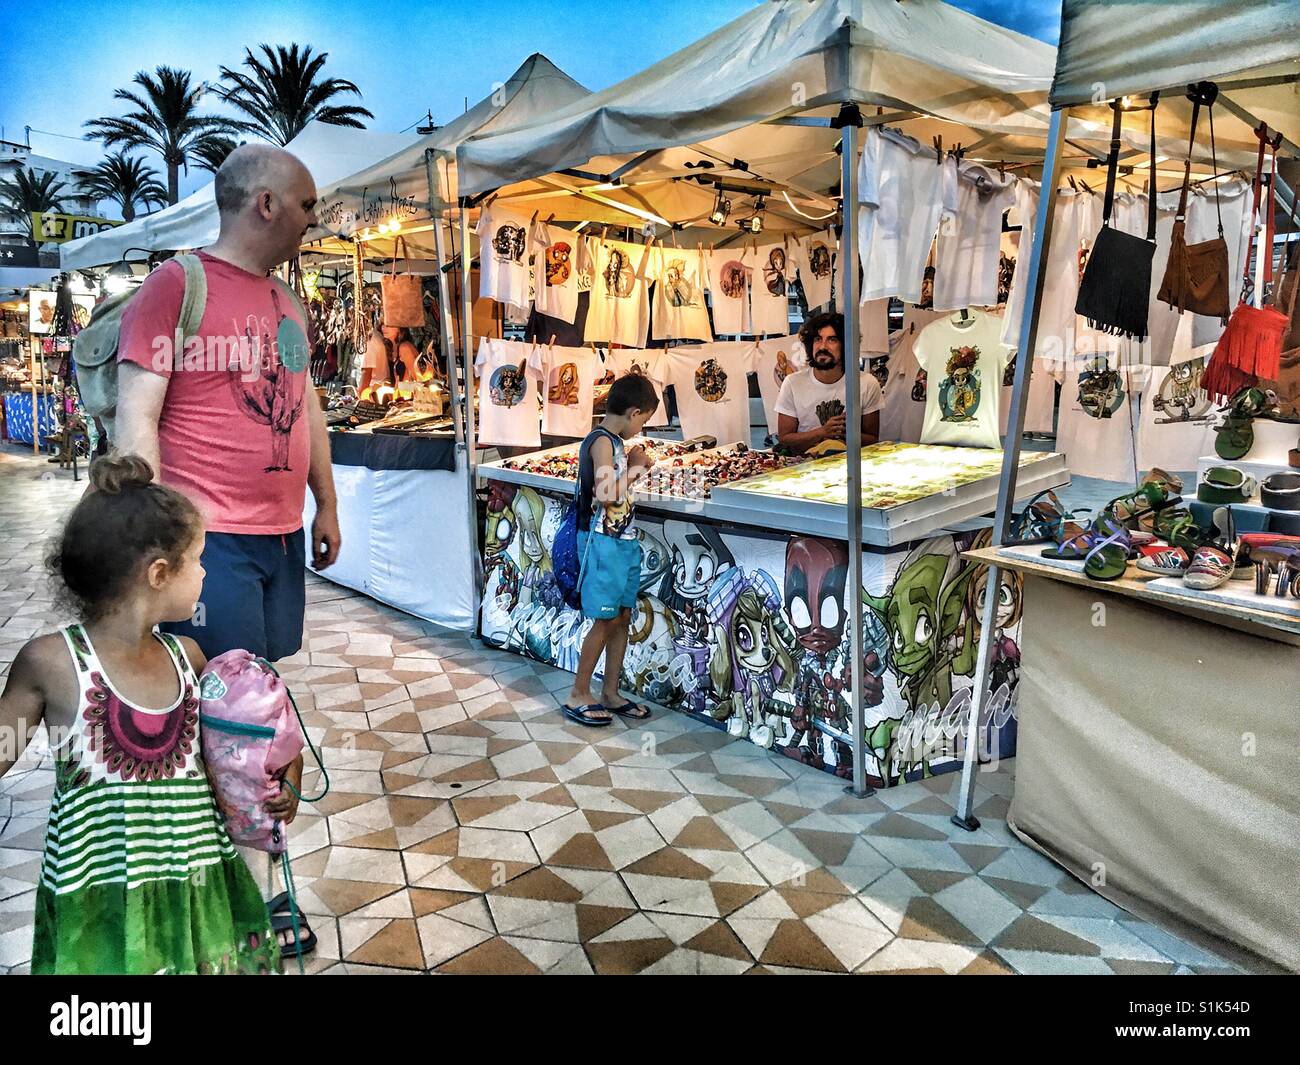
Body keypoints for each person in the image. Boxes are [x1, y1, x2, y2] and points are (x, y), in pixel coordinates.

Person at [0, 454, 299, 974]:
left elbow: (245, 748)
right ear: (159, 574)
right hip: (98, 896)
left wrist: (286, 775)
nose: (205, 572)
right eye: (198, 559)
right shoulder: (52, 663)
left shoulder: (191, 659)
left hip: (194, 883)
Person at [115, 144, 340, 664]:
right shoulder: (174, 286)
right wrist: (156, 538)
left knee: (258, 680)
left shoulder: (288, 301)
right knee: (217, 693)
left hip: (282, 535)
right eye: (305, 204)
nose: (313, 218)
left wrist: (325, 504)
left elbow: (305, 408)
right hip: (205, 540)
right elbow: (137, 418)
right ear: (266, 203)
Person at [562, 374, 660, 726]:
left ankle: (611, 691)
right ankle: (579, 692)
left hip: (623, 542)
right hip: (601, 544)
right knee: (605, 620)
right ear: (634, 412)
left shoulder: (616, 443)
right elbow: (606, 494)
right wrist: (634, 469)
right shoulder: (600, 441)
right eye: (644, 420)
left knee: (621, 617)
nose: (642, 427)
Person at [775, 310, 882, 454]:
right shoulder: (792, 383)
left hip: (850, 466)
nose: (823, 346)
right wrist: (822, 432)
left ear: (846, 345)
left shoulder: (866, 383)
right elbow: (785, 438)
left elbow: (873, 439)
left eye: (832, 340)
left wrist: (844, 434)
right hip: (802, 466)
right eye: (818, 339)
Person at [358, 325, 420, 391]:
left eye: (389, 325)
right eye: (383, 324)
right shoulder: (390, 349)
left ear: (400, 328)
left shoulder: (405, 348)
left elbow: (418, 379)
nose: (384, 328)